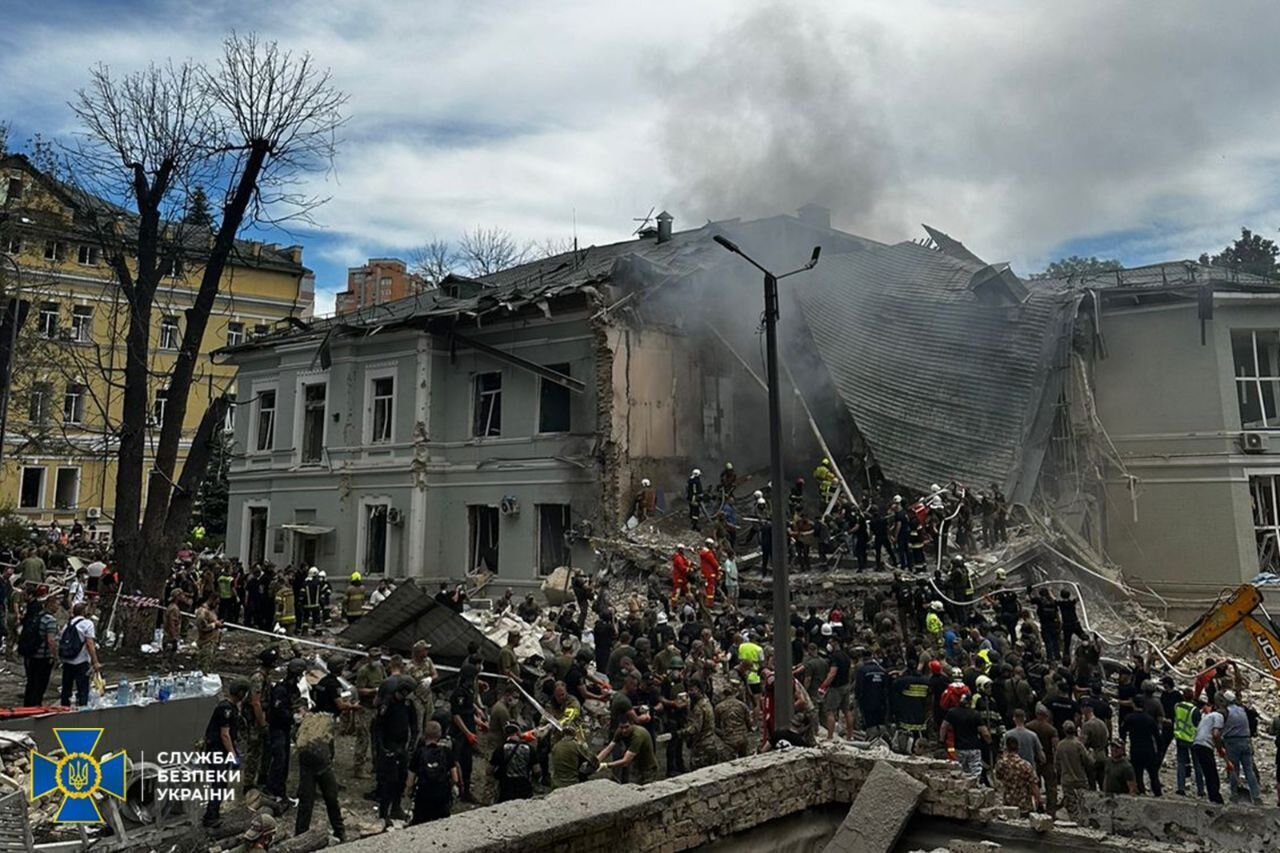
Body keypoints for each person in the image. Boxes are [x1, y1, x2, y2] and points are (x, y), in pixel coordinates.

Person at [294, 675, 346, 842]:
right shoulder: (296, 729)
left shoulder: (317, 721)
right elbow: (300, 743)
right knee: (306, 804)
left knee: (332, 799)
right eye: (297, 711)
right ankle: (300, 836)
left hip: (324, 766)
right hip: (308, 770)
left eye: (301, 710)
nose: (299, 714)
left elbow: (327, 734)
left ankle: (340, 832)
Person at [202, 679, 248, 828]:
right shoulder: (226, 709)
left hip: (222, 750)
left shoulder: (231, 707)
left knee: (221, 784)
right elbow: (224, 734)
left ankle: (213, 813)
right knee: (219, 784)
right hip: (217, 751)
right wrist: (233, 754)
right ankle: (211, 816)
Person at [374, 675, 418, 827]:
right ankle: (383, 812)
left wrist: (412, 741)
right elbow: (378, 727)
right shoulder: (388, 702)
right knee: (389, 781)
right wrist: (381, 747)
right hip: (389, 745)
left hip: (402, 745)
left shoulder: (408, 703)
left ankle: (396, 807)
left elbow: (414, 723)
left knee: (401, 778)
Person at [266, 658, 305, 800]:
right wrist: (293, 717)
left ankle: (280, 790)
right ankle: (272, 789)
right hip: (277, 728)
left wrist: (300, 711)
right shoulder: (280, 690)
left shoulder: (293, 687)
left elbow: (297, 701)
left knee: (284, 760)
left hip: (285, 728)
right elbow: (278, 711)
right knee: (279, 760)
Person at [406, 720, 458, 824]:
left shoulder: (419, 753)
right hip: (442, 796)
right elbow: (455, 778)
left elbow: (410, 781)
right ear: (440, 735)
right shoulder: (446, 752)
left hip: (423, 795)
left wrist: (408, 792)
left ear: (425, 734)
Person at [450, 665, 486, 803]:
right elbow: (457, 716)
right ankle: (458, 789)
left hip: (469, 729)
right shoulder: (458, 693)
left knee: (467, 762)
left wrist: (479, 722)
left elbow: (468, 711)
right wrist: (467, 733)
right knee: (456, 762)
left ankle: (466, 791)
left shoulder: (468, 691)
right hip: (459, 733)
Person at [244, 648, 277, 791]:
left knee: (263, 750)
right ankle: (248, 783)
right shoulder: (258, 677)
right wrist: (262, 724)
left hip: (261, 714)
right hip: (256, 718)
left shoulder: (265, 675)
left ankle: (261, 777)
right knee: (254, 751)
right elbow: (255, 702)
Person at [1222, 690, 1261, 805]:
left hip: (1232, 742)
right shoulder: (1242, 710)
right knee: (1249, 769)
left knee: (1234, 769)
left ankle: (1234, 794)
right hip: (1246, 741)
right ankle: (1256, 795)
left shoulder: (1227, 712)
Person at [352, 649, 386, 780]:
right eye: (374, 658)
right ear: (369, 658)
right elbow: (359, 690)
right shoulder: (363, 671)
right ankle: (358, 768)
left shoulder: (381, 668)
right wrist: (373, 690)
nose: (376, 660)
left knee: (376, 739)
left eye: (378, 657)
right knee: (363, 738)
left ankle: (375, 765)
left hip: (376, 708)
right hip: (365, 708)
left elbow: (384, 681)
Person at [58, 601, 100, 707]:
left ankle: (64, 710)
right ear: (84, 611)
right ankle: (82, 711)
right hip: (81, 661)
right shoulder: (87, 624)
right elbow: (90, 644)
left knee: (66, 689)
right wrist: (95, 662)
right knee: (82, 689)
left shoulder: (68, 624)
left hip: (67, 660)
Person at [940, 695, 989, 779]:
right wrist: (989, 742)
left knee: (960, 770)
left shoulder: (952, 712)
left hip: (959, 747)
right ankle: (976, 787)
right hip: (974, 747)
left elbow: (944, 726)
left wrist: (941, 740)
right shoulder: (975, 714)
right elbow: (985, 732)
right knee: (975, 771)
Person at [596, 719, 658, 784]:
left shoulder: (638, 736)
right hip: (635, 765)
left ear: (632, 725)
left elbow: (626, 760)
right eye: (621, 727)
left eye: (627, 727)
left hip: (648, 768)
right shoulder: (620, 731)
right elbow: (609, 748)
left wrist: (606, 765)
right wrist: (596, 761)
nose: (624, 730)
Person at [994, 735, 1042, 816]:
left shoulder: (1001, 764)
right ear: (1018, 748)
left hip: (1008, 805)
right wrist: (1038, 801)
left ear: (1006, 748)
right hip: (1024, 805)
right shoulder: (1026, 765)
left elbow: (998, 777)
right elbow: (1034, 785)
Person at [818, 635, 853, 741]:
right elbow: (850, 672)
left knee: (830, 711)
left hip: (835, 688)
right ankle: (850, 736)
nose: (829, 644)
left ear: (835, 643)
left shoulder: (834, 657)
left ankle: (830, 737)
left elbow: (832, 673)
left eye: (830, 642)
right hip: (846, 686)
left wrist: (823, 686)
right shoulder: (846, 656)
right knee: (846, 711)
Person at [1123, 700, 1162, 796]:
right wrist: (1159, 751)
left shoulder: (1129, 718)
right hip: (1149, 749)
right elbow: (1157, 736)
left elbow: (1123, 732)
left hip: (1136, 749)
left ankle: (1141, 791)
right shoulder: (1150, 719)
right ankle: (1157, 792)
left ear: (1133, 704)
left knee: (1138, 773)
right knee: (1153, 774)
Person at [489, 722, 534, 802]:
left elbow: (489, 770)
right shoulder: (529, 748)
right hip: (524, 787)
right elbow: (537, 770)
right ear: (518, 733)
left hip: (506, 788)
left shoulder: (500, 749)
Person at [1192, 694, 1225, 804]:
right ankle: (1215, 797)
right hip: (1205, 745)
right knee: (1212, 773)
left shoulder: (1207, 717)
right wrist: (1220, 749)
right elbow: (1215, 734)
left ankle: (1213, 796)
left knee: (1207, 771)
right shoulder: (1219, 717)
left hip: (1197, 743)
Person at [1055, 721, 1092, 814]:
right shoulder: (1078, 744)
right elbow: (1088, 761)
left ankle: (1073, 820)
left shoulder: (1060, 745)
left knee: (1071, 805)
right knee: (1083, 803)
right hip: (1080, 778)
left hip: (1067, 780)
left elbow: (1057, 764)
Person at [195, 593, 223, 674]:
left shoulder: (211, 611)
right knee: (203, 666)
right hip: (206, 642)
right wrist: (214, 625)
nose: (217, 605)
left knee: (209, 664)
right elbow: (202, 627)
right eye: (216, 603)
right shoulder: (202, 612)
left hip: (212, 641)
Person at [162, 589, 186, 670]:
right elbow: (171, 623)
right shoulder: (174, 609)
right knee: (169, 654)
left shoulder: (172, 607)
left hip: (169, 635)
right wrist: (174, 636)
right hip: (170, 636)